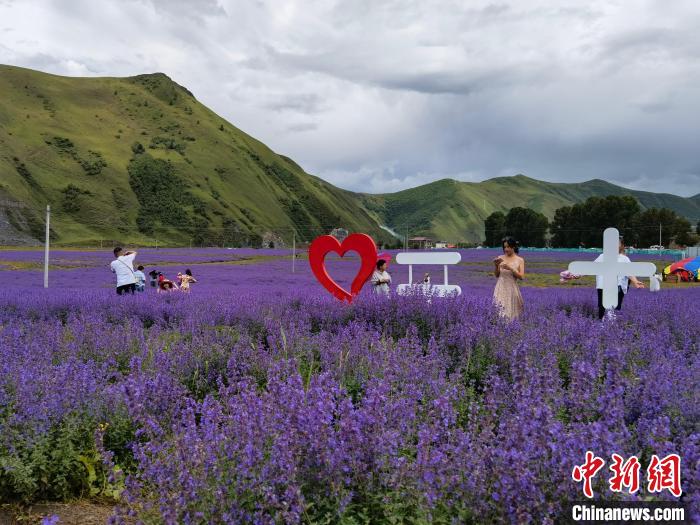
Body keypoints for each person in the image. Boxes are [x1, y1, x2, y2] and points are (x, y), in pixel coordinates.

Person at [595, 236, 645, 320]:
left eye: (617, 243)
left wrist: (635, 281)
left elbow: (629, 272)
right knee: (602, 307)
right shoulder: (602, 256)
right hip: (603, 286)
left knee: (615, 307)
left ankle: (612, 324)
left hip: (618, 286)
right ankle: (601, 324)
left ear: (621, 246)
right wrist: (576, 274)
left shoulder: (624, 259)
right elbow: (591, 267)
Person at [492, 237, 525, 320]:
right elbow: (497, 275)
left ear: (513, 247)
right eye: (504, 247)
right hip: (500, 288)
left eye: (508, 247)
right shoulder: (500, 257)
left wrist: (510, 268)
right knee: (499, 313)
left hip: (511, 289)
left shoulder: (520, 260)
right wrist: (496, 266)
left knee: (511, 314)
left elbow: (521, 276)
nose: (506, 249)